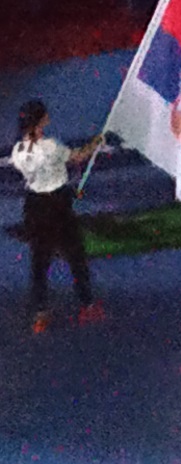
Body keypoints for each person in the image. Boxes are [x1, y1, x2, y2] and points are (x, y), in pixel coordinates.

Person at [9, 100, 105, 333]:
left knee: (39, 260)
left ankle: (41, 313)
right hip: (58, 207)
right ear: (41, 120)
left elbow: (44, 176)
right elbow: (79, 157)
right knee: (75, 255)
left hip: (34, 206)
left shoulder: (17, 151)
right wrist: (96, 142)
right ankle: (87, 306)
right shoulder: (51, 146)